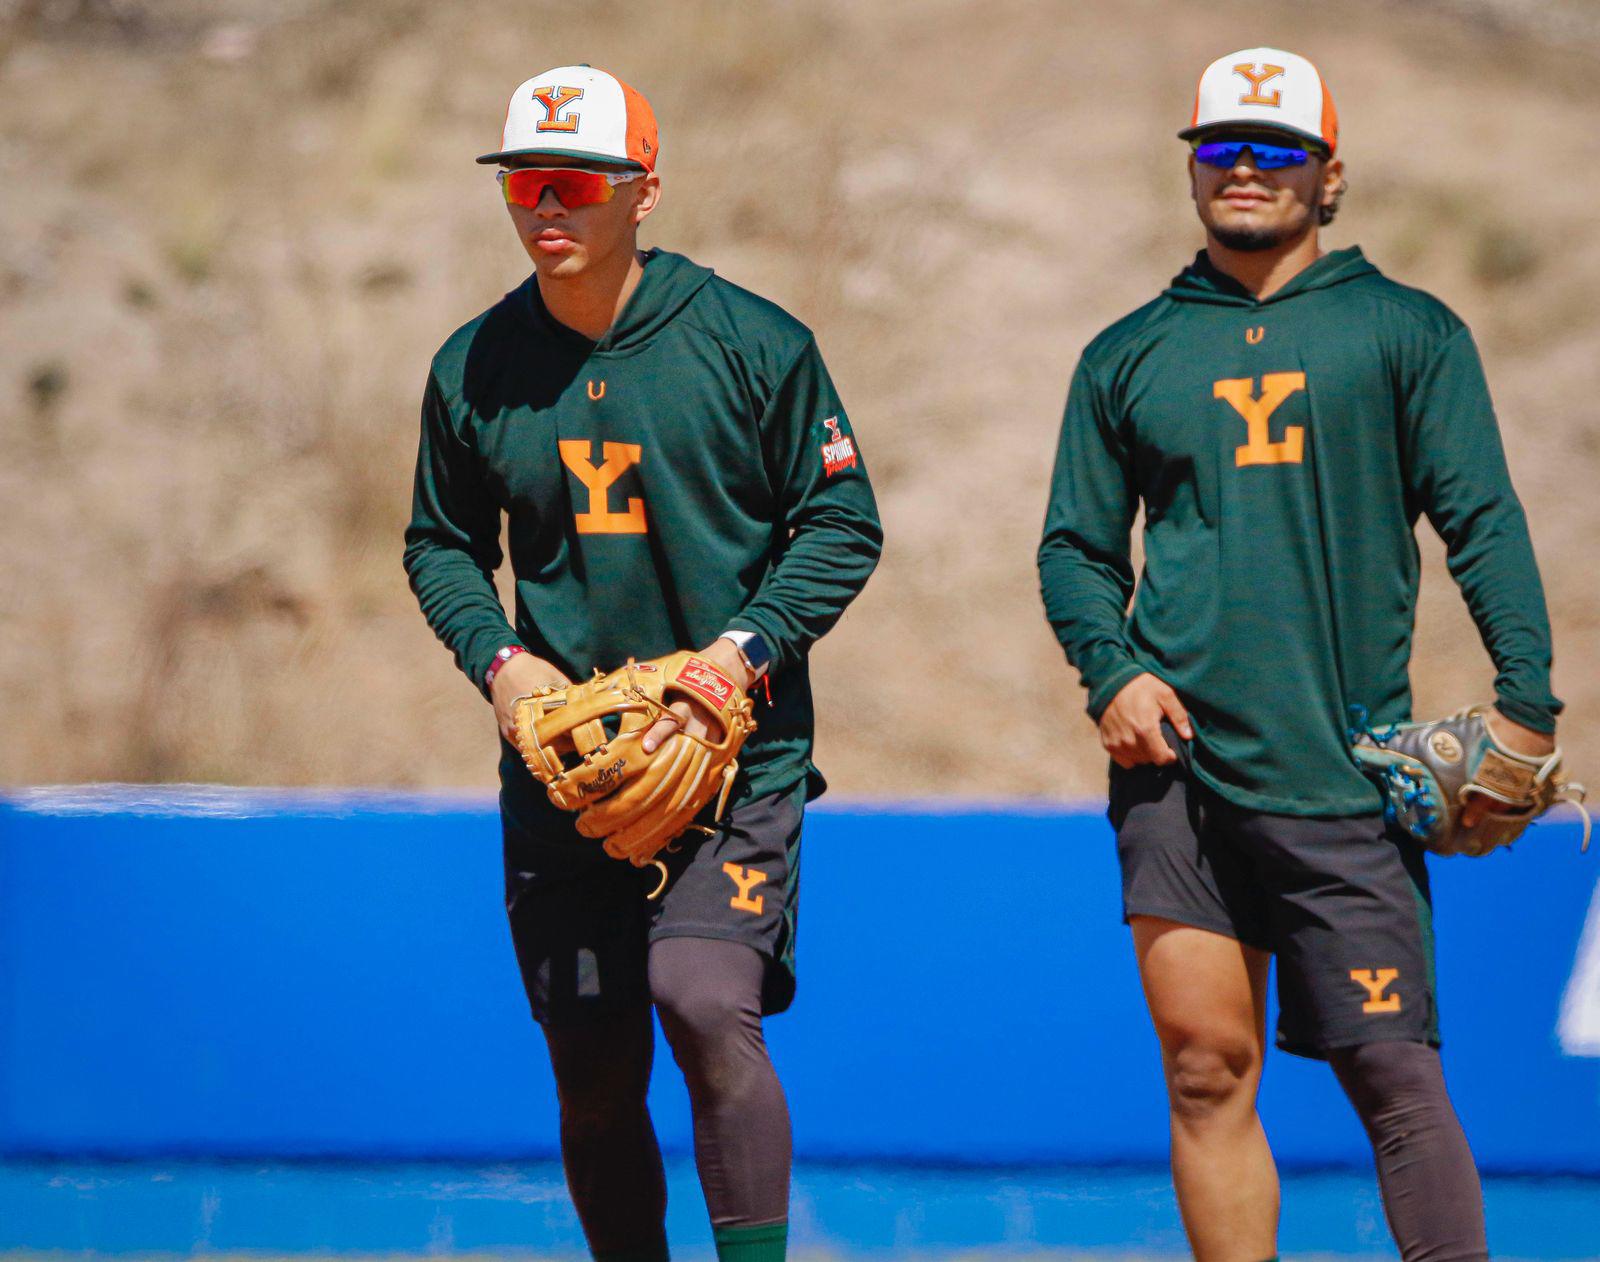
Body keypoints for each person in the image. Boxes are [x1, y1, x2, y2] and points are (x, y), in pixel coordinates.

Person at [1036, 47, 1562, 1262]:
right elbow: (1075, 549)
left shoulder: (1405, 331)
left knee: (1393, 1075)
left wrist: (1526, 700)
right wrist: (1111, 670)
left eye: (1276, 148)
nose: (1246, 167)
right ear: (1191, 168)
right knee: (1204, 1066)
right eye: (1221, 145)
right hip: (1177, 775)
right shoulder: (1125, 353)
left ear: (1329, 176)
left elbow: (1481, 521)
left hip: (1344, 771)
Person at [403, 64, 881, 1262]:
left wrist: (735, 657)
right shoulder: (472, 366)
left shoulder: (754, 343)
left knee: (703, 1001)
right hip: (565, 770)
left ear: (643, 191)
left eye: (573, 182)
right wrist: (500, 661)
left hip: (729, 756)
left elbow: (840, 523)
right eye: (523, 181)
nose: (544, 204)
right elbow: (440, 543)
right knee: (593, 1067)